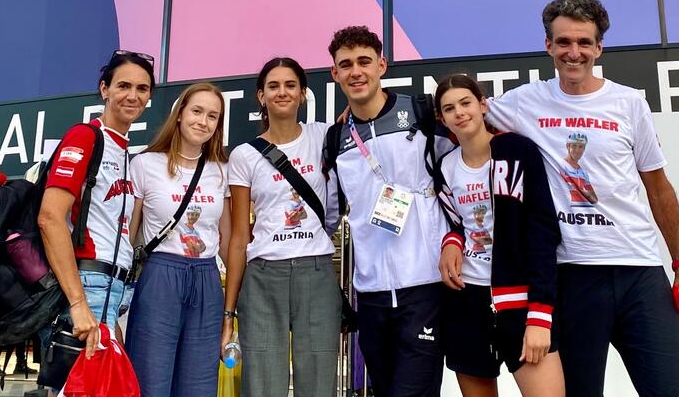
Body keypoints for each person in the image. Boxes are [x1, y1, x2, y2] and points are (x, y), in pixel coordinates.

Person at [482, 0, 679, 397]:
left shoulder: (629, 102)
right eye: (564, 42)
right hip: (571, 275)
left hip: (639, 271)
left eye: (584, 43)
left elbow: (659, 188)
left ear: (599, 48)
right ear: (548, 46)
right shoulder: (523, 102)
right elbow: (457, 113)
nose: (574, 52)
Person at [322, 26, 454, 397]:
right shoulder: (336, 139)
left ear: (382, 65)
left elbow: (462, 180)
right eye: (345, 65)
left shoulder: (422, 113)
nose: (355, 72)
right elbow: (330, 215)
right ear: (335, 74)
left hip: (425, 283)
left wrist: (455, 241)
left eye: (364, 61)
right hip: (372, 292)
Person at [435, 75, 564, 397]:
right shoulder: (445, 166)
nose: (459, 113)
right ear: (442, 118)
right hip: (467, 302)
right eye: (449, 108)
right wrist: (451, 243)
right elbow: (454, 224)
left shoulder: (516, 150)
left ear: (482, 105)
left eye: (466, 103)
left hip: (520, 302)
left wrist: (540, 315)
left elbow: (543, 229)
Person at [223, 57, 340, 397]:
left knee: (318, 384)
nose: (282, 92)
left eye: (290, 85)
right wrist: (229, 311)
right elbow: (239, 237)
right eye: (273, 86)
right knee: (261, 385)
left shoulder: (324, 135)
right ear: (261, 96)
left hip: (316, 271)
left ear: (303, 93)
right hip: (262, 276)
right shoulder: (244, 155)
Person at [38, 51, 156, 362]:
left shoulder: (125, 152)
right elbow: (50, 217)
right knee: (75, 386)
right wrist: (78, 303)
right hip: (88, 282)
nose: (132, 96)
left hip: (114, 289)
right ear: (104, 89)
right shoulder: (85, 137)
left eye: (142, 89)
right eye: (123, 86)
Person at [125, 83, 232, 397]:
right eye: (197, 111)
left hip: (206, 278)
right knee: (150, 377)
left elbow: (226, 240)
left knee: (199, 383)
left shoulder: (221, 171)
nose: (203, 121)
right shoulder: (145, 164)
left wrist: (239, 297)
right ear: (180, 114)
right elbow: (130, 235)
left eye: (213, 116)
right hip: (160, 275)